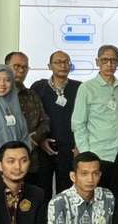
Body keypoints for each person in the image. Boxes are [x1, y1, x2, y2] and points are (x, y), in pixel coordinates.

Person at [72, 43, 118, 194]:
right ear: (97, 62)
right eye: (104, 60)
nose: (109, 64)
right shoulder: (87, 88)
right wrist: (86, 155)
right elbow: (78, 124)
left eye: (113, 60)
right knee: (96, 199)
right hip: (98, 154)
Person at [33, 50, 82, 195]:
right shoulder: (38, 88)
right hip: (43, 148)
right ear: (49, 66)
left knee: (67, 192)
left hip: (70, 149)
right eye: (58, 62)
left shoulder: (79, 88)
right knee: (42, 191)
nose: (63, 65)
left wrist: (79, 144)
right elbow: (33, 117)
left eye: (66, 62)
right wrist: (40, 140)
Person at [6, 51, 54, 194]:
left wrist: (33, 139)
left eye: (24, 67)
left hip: (31, 162)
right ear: (6, 67)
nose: (21, 70)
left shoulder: (32, 95)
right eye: (16, 66)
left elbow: (45, 122)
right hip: (5, 164)